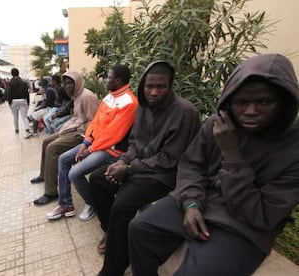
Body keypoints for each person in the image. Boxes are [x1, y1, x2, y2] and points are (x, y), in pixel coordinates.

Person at [128, 54, 299, 276]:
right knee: (139, 229)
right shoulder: (216, 124)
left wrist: (232, 155)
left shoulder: (292, 147)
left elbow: (261, 215)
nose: (250, 111)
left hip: (243, 226)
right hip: (202, 200)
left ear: (284, 103)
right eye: (241, 102)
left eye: (264, 102)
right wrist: (190, 203)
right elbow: (191, 165)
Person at [90, 61, 201, 276]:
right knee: (97, 179)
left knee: (122, 205)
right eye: (150, 86)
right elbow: (134, 143)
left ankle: (113, 268)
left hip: (165, 175)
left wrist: (129, 169)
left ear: (170, 87)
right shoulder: (142, 106)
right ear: (143, 85)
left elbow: (170, 159)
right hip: (140, 168)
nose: (154, 92)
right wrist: (123, 161)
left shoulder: (185, 113)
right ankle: (112, 234)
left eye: (161, 87)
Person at [45, 64, 138, 221]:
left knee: (75, 173)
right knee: (63, 159)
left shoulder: (129, 102)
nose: (105, 80)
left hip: (111, 150)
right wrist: (86, 143)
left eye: (109, 77)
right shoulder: (110, 96)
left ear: (119, 80)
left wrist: (91, 149)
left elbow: (113, 134)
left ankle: (93, 203)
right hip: (97, 145)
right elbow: (95, 122)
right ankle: (66, 204)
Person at [32, 71, 100, 206]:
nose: (67, 86)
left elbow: (94, 122)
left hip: (82, 135)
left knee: (52, 148)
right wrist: (68, 125)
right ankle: (44, 175)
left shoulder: (87, 96)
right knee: (46, 141)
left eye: (70, 83)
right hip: (74, 129)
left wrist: (79, 132)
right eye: (65, 83)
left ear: (78, 82)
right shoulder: (77, 95)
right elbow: (76, 117)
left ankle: (51, 192)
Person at [7, 68, 31, 136]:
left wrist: (9, 102)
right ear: (18, 73)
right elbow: (27, 92)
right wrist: (28, 101)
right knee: (24, 117)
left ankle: (16, 129)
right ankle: (27, 129)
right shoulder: (23, 82)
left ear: (12, 74)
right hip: (22, 101)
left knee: (15, 116)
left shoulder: (10, 82)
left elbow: (9, 93)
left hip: (14, 101)